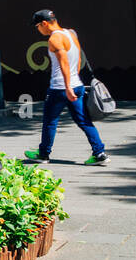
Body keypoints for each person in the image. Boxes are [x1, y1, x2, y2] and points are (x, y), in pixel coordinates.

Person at [24, 10, 108, 165]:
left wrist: (67, 86)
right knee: (84, 121)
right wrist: (74, 81)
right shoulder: (71, 33)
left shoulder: (54, 39)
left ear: (44, 23)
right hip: (77, 85)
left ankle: (43, 154)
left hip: (60, 88)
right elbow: (78, 59)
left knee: (50, 121)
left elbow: (64, 62)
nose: (38, 30)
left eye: (37, 26)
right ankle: (99, 153)